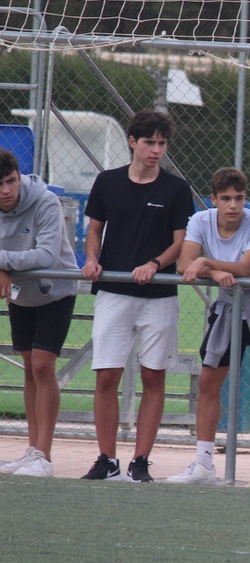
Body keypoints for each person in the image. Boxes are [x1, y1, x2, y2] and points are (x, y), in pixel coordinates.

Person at [80, 110, 194, 482]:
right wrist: (92, 259)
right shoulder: (107, 182)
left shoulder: (176, 188)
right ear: (133, 142)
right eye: (149, 142)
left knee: (154, 377)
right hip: (113, 292)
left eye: (162, 143)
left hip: (159, 296)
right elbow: (94, 230)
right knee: (106, 375)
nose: (156, 150)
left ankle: (140, 461)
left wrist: (153, 264)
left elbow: (181, 243)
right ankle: (106, 459)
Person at [166, 168, 250, 486]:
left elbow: (244, 267)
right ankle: (203, 463)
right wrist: (212, 272)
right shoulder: (200, 221)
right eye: (226, 199)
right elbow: (185, 265)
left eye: (239, 198)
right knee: (209, 381)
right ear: (213, 200)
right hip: (229, 306)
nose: (233, 205)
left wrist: (206, 262)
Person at [0, 149, 79, 477]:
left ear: (19, 177)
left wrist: (2, 263)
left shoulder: (45, 202)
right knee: (29, 369)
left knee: (44, 366)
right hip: (21, 296)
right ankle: (32, 450)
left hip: (55, 292)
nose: (6, 190)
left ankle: (43, 456)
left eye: (10, 181)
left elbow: (46, 256)